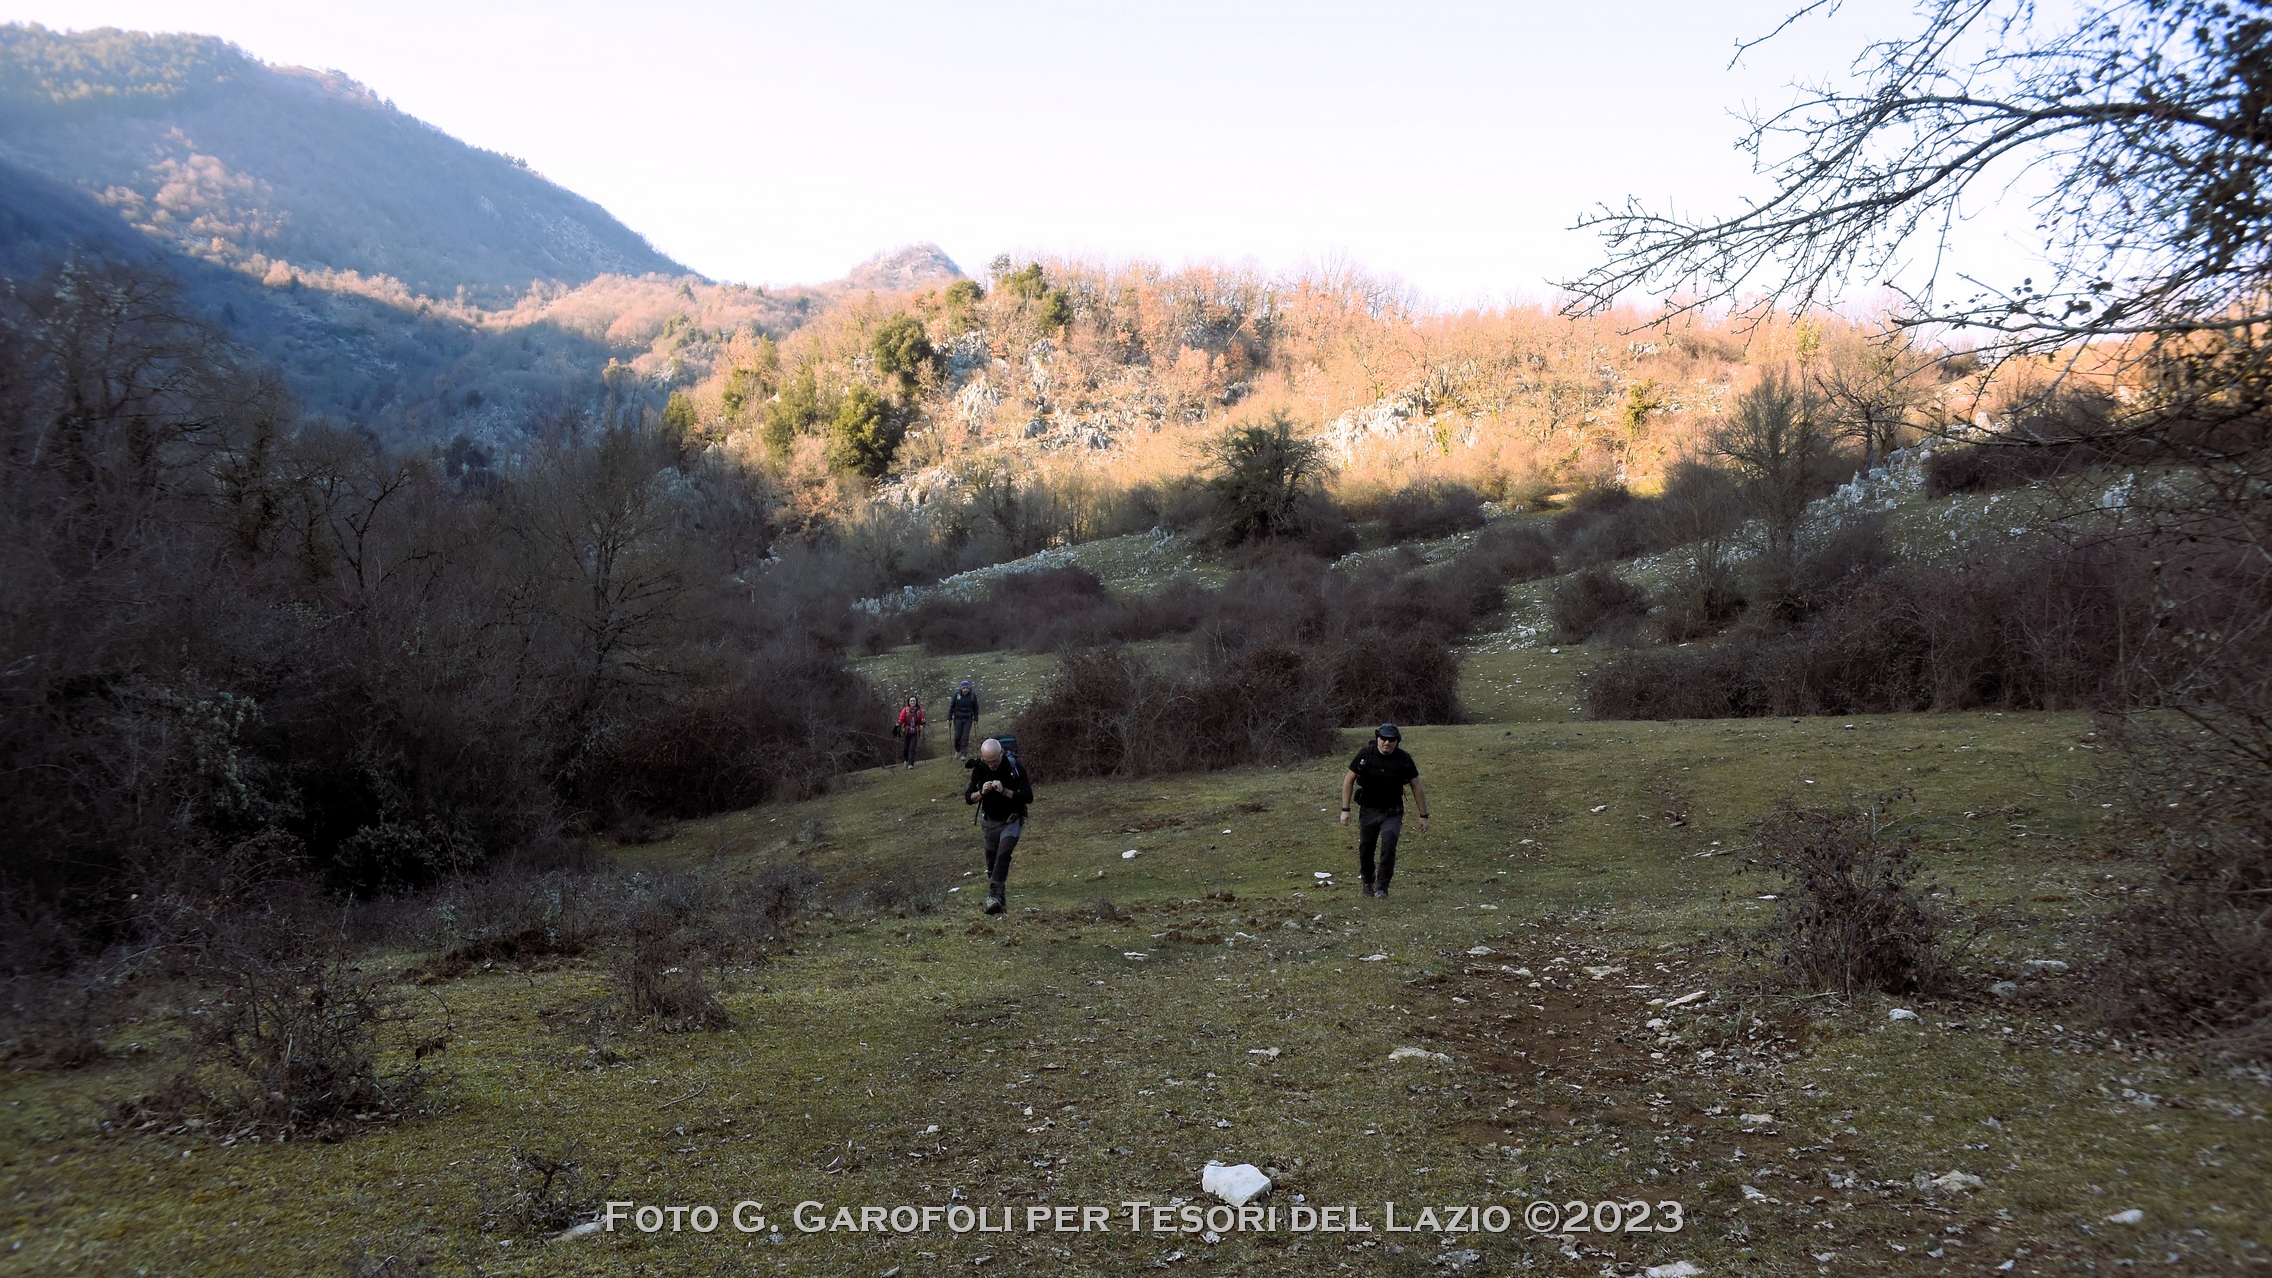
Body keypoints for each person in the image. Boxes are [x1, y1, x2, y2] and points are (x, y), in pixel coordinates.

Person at [1339, 723, 1428, 898]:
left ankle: (1382, 887)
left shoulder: (1404, 759)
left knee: (1388, 846)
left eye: (1391, 740)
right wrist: (1345, 809)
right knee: (1366, 848)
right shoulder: (1366, 754)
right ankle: (1367, 881)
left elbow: (1416, 786)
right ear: (1378, 738)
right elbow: (1348, 780)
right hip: (1369, 810)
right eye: (1383, 739)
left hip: (1392, 811)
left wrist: (1424, 815)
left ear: (1397, 741)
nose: (1386, 743)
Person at [963, 738, 1033, 914]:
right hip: (989, 823)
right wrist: (981, 793)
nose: (992, 766)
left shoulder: (1014, 767)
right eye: (989, 762)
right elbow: (968, 798)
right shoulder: (980, 769)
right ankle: (999, 904)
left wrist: (1005, 791)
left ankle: (992, 896)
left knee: (1003, 855)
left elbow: (1028, 796)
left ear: (1001, 754)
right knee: (992, 865)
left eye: (995, 761)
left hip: (1012, 820)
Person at [948, 680, 980, 759]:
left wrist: (976, 718)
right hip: (958, 718)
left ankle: (963, 753)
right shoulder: (957, 695)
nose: (965, 690)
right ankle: (958, 750)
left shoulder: (972, 696)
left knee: (965, 736)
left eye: (966, 688)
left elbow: (976, 707)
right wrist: (949, 718)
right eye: (964, 688)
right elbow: (951, 706)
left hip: (968, 718)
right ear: (961, 688)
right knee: (957, 736)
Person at [895, 695, 925, 769]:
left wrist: (923, 722)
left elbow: (922, 719)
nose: (912, 702)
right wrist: (898, 724)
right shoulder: (905, 710)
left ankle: (911, 764)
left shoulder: (919, 711)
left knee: (912, 748)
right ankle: (906, 760)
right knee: (906, 748)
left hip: (915, 731)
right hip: (907, 731)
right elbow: (901, 718)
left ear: (916, 702)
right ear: (909, 702)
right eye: (911, 701)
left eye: (914, 701)